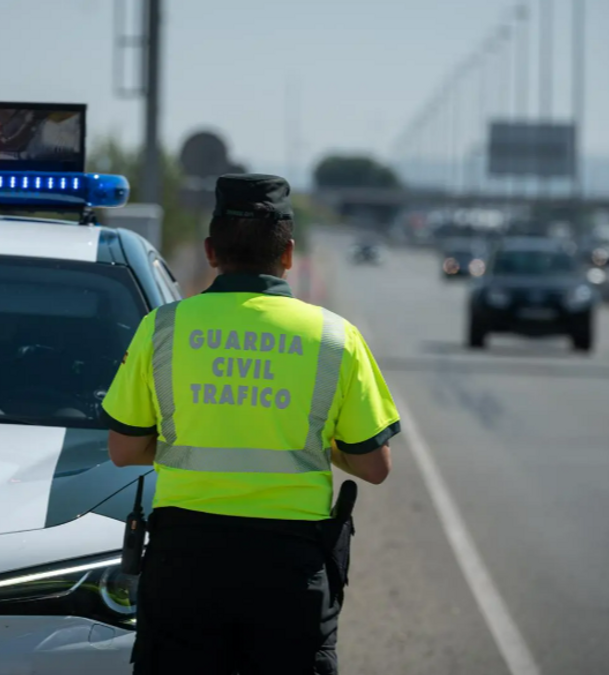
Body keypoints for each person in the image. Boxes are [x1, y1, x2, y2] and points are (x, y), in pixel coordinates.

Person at [102, 174, 400, 675]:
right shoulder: (335, 337)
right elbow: (374, 466)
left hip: (185, 565)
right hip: (291, 572)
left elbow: (124, 450)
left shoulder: (164, 327)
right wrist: (311, 441)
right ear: (287, 255)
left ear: (211, 251)